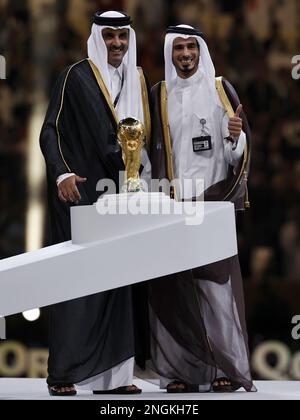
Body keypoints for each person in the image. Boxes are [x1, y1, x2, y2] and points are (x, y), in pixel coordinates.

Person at [40, 10, 151, 396]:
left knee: (119, 284)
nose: (117, 44)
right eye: (109, 37)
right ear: (96, 38)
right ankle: (63, 375)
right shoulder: (75, 76)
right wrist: (62, 174)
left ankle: (115, 379)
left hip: (123, 195)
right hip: (81, 193)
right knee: (76, 284)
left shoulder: (137, 79)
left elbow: (144, 142)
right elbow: (50, 129)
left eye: (122, 36)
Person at [149, 24, 256, 393]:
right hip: (172, 205)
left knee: (216, 292)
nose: (185, 54)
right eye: (178, 48)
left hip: (212, 204)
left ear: (201, 50)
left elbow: (235, 154)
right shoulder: (158, 94)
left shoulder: (219, 89)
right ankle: (180, 373)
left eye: (191, 47)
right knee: (175, 292)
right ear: (169, 53)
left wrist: (235, 136)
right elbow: (150, 153)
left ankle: (223, 369)